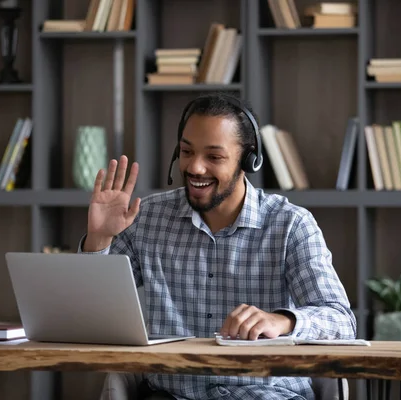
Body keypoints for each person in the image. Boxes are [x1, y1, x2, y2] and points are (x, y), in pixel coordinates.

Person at [78, 93, 356, 400]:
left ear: (248, 160)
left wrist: (283, 321)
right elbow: (90, 316)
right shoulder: (145, 219)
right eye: (186, 151)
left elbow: (341, 321)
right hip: (171, 394)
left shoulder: (290, 225)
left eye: (214, 157)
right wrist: (100, 238)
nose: (195, 168)